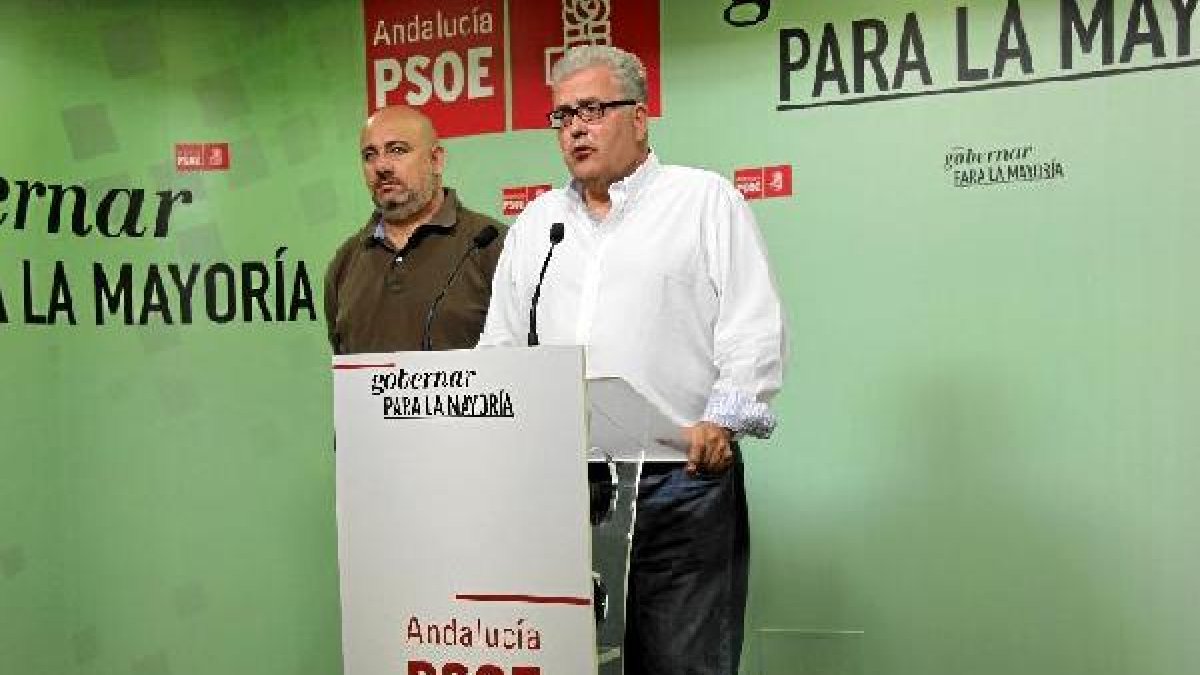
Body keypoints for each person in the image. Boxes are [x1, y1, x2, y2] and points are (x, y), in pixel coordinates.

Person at [478, 46, 786, 675]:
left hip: (680, 478)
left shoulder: (702, 200)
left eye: (592, 110)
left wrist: (722, 421)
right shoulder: (538, 224)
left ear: (639, 118)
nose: (575, 129)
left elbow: (751, 326)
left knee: (682, 662)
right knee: (573, 661)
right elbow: (501, 346)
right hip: (567, 486)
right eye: (563, 116)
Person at [324, 105, 504, 354]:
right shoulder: (345, 262)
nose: (381, 166)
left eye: (397, 150)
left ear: (436, 160)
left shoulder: (492, 245)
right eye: (369, 155)